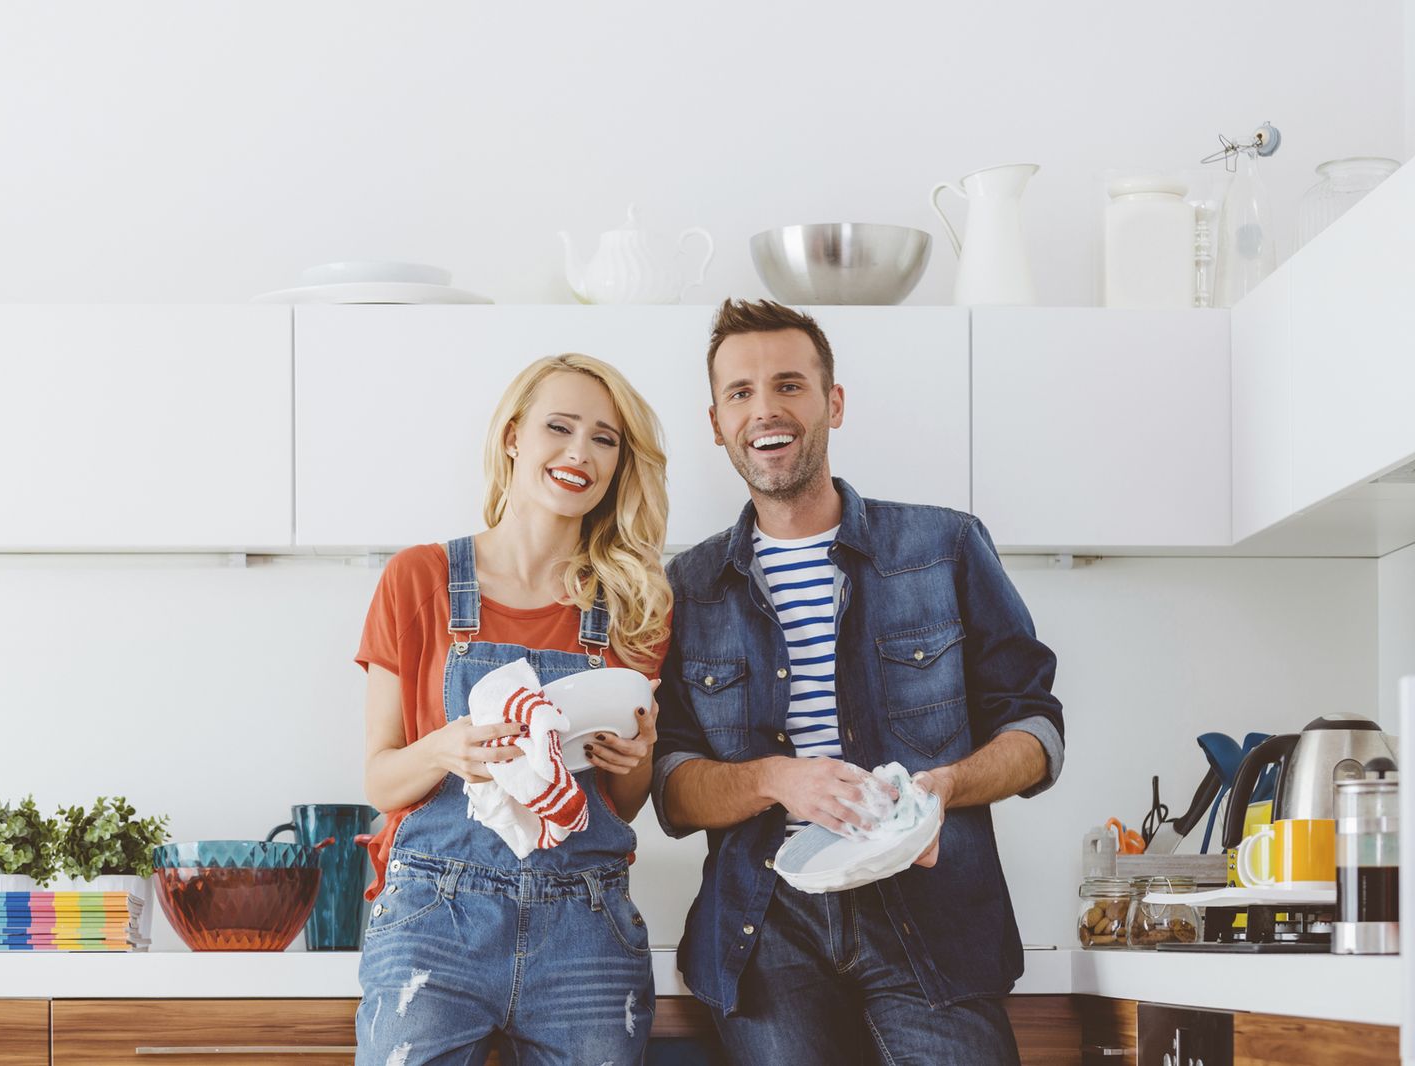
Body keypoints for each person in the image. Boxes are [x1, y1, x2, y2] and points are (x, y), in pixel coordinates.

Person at [652, 300, 1065, 1065]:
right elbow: (672, 789)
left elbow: (1037, 732)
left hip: (932, 916)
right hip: (762, 926)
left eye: (789, 385)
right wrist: (778, 780)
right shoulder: (690, 586)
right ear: (716, 422)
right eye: (740, 393)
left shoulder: (944, 546)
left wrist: (942, 787)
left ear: (832, 402)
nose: (765, 409)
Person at [353, 353, 672, 1065]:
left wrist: (638, 758)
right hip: (436, 917)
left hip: (586, 925)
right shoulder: (419, 578)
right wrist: (445, 749)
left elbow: (621, 804)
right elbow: (379, 782)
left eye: (604, 439)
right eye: (559, 427)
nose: (579, 453)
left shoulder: (636, 602)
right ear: (513, 438)